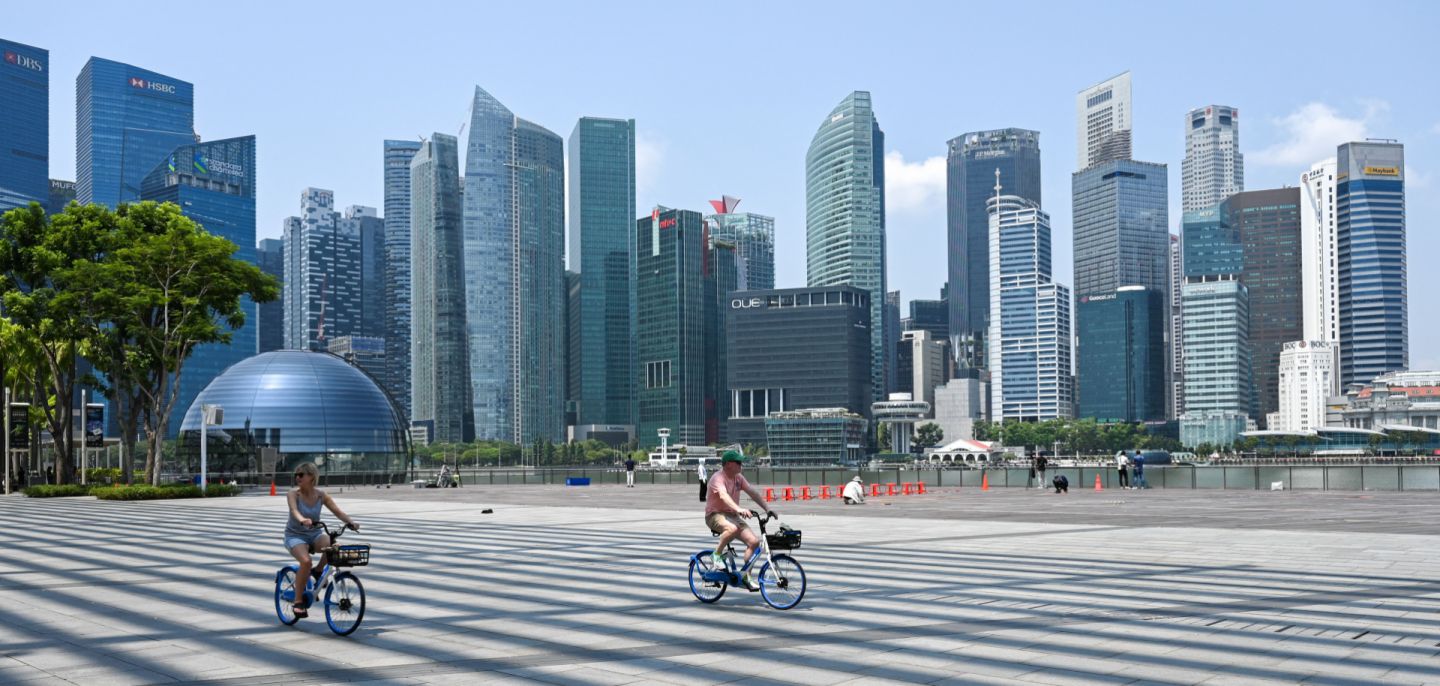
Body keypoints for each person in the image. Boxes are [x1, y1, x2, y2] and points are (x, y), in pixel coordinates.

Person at [284, 462, 359, 619]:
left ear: (311, 476)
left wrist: (350, 522)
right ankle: (298, 602)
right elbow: (294, 511)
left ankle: (318, 572)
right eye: (296, 475)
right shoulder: (293, 494)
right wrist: (302, 519)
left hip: (314, 534)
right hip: (295, 535)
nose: (297, 477)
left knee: (333, 546)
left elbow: (337, 511)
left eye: (301, 475)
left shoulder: (321, 495)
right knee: (305, 561)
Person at [705, 450, 773, 591]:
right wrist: (739, 509)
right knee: (732, 528)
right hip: (714, 514)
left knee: (754, 542)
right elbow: (723, 496)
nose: (741, 465)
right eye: (739, 462)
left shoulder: (738, 478)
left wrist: (767, 508)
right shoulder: (717, 478)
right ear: (729, 464)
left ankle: (746, 576)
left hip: (732, 515)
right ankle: (716, 555)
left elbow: (752, 492)